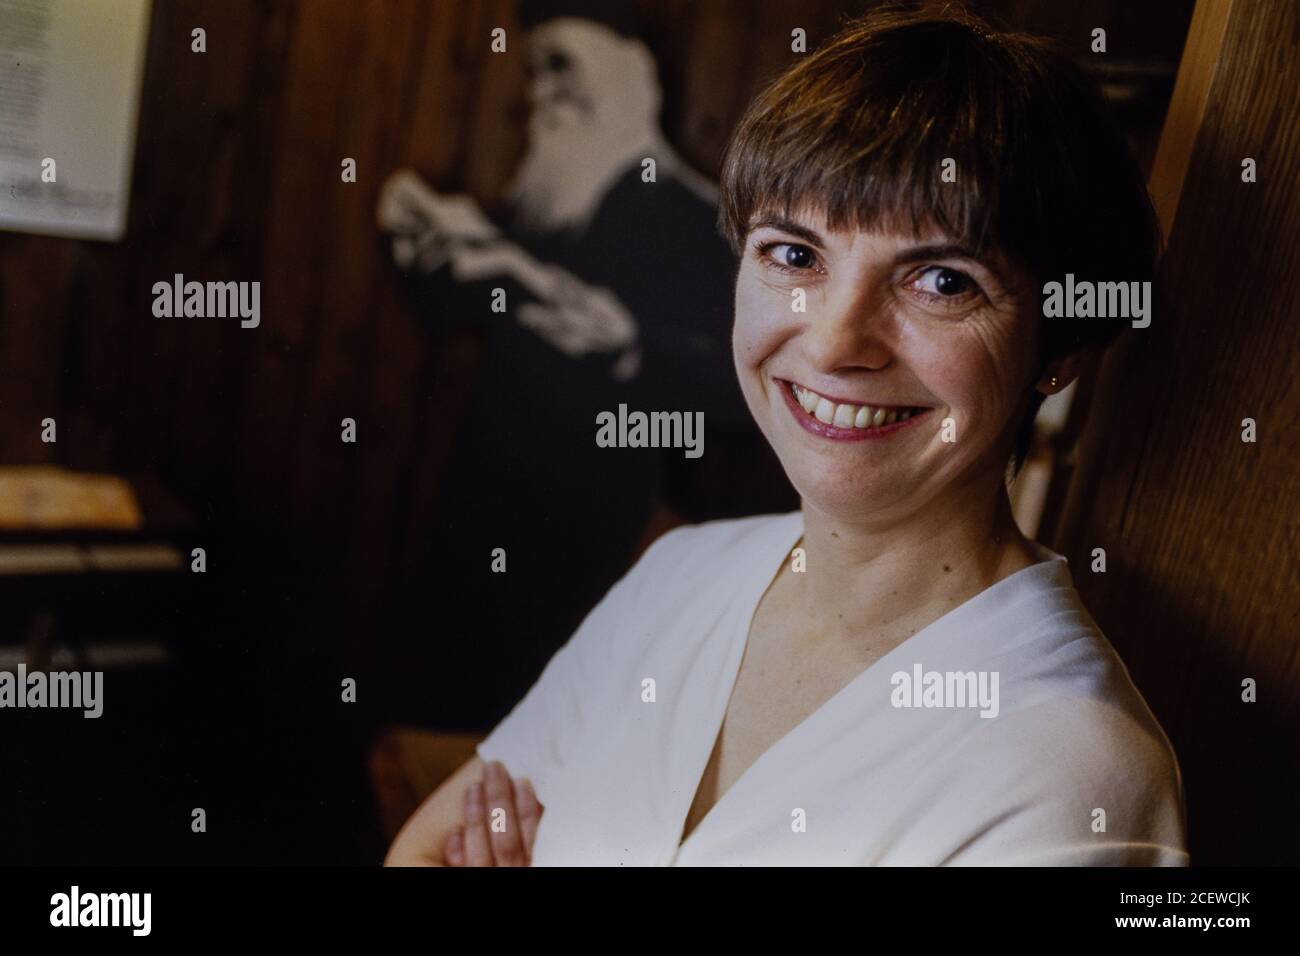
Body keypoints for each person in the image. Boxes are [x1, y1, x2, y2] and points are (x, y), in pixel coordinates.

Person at [386, 7, 1188, 866]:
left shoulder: (1072, 780)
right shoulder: (679, 578)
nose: (836, 343)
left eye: (943, 279)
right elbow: (423, 849)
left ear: (1059, 347)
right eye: (796, 256)